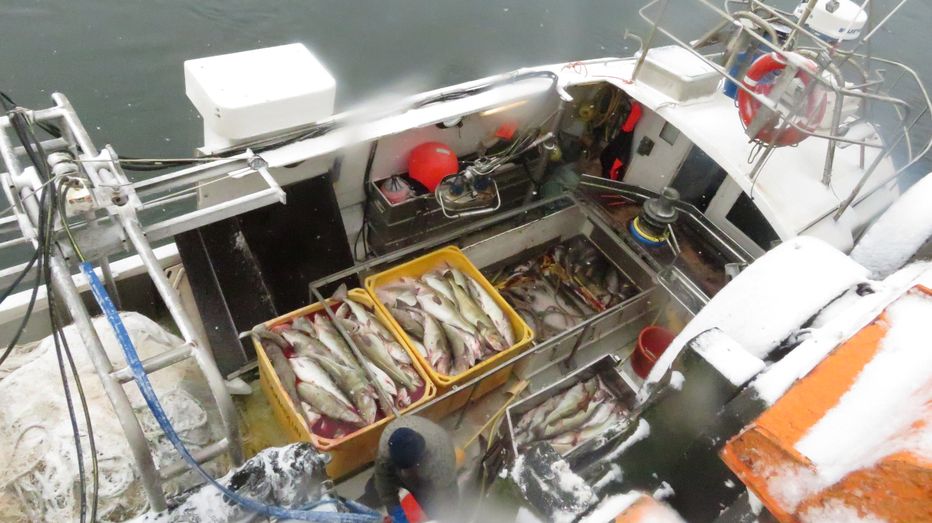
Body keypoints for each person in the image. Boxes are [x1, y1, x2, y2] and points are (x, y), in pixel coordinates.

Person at [374, 415, 459, 522]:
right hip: (402, 464)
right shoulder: (386, 447)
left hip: (434, 470)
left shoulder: (440, 461)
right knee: (381, 484)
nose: (405, 474)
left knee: (434, 503)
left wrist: (444, 519)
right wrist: (394, 510)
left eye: (409, 469)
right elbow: (383, 479)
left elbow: (446, 497)